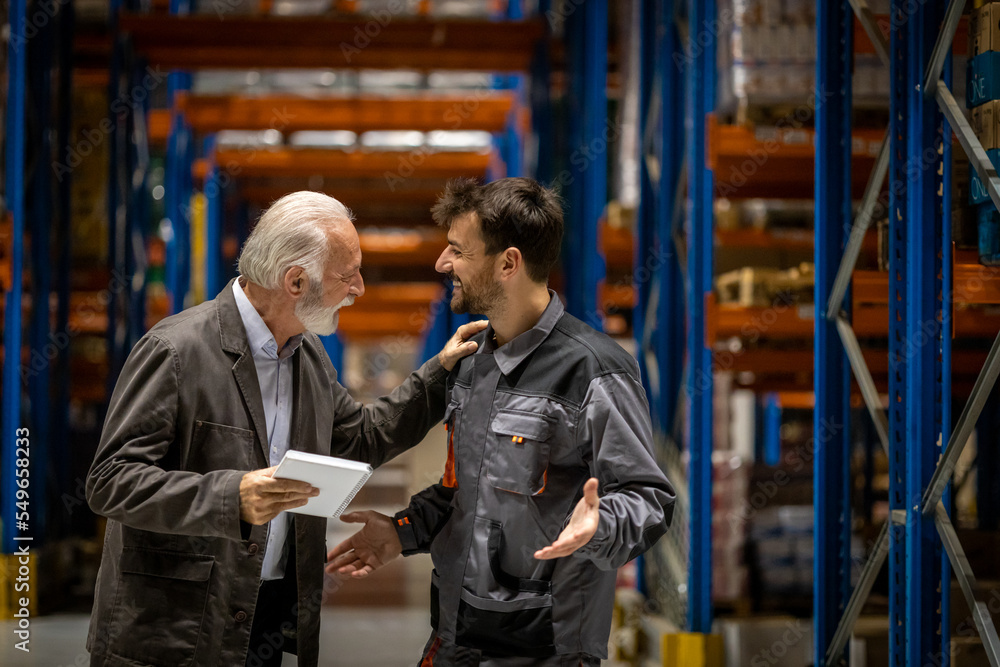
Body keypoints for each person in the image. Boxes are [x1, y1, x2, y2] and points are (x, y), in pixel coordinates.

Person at [85, 191, 486, 667]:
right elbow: (110, 481)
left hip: (262, 617)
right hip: (176, 629)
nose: (358, 288)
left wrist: (439, 373)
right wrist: (230, 497)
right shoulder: (177, 351)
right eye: (348, 274)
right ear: (296, 281)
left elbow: (361, 436)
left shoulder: (305, 356)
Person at [327, 177, 675, 666]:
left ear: (508, 263)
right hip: (454, 638)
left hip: (545, 650)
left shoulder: (593, 370)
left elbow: (648, 499)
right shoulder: (471, 363)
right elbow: (461, 492)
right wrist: (402, 531)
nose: (442, 264)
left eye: (457, 251)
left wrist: (601, 524)